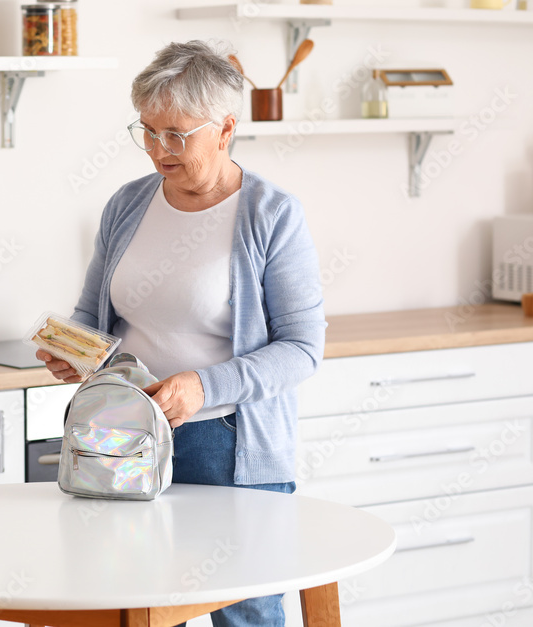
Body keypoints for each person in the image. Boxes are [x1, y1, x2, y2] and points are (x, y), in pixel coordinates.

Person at [36, 40, 326, 627]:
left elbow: (302, 350)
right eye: (146, 131)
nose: (157, 149)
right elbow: (93, 314)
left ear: (225, 128)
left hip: (226, 442)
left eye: (176, 134)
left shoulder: (273, 214)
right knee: (129, 600)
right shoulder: (128, 204)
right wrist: (74, 351)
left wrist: (202, 385)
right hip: (124, 433)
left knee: (243, 612)